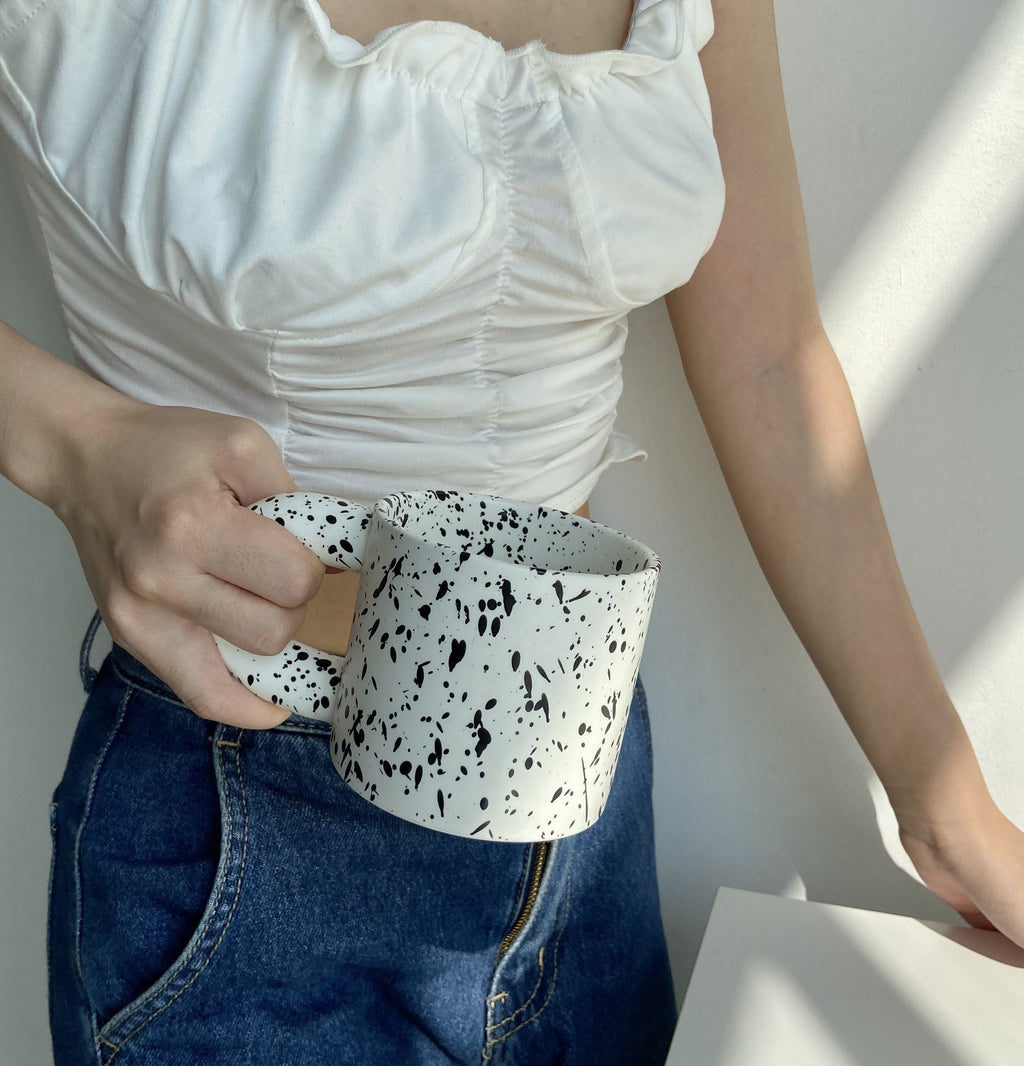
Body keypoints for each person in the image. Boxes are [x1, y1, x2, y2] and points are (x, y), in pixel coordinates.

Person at [1, 0, 1022, 1063]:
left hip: (583, 791)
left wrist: (942, 801)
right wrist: (75, 446)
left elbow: (769, 354)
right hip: (246, 812)